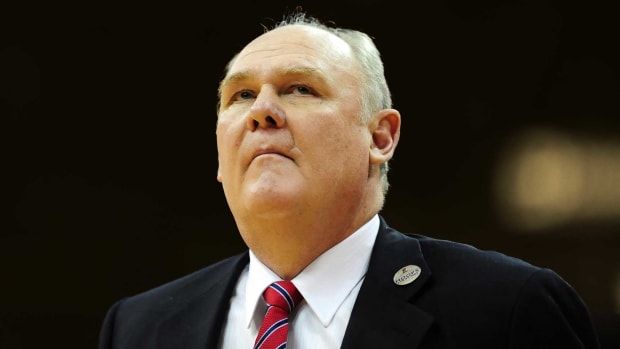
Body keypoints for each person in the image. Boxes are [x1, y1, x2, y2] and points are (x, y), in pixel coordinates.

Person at [98, 10, 601, 349]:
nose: (263, 112)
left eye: (300, 89)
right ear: (218, 152)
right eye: (242, 96)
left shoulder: (507, 309)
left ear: (380, 137)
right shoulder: (139, 328)